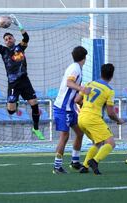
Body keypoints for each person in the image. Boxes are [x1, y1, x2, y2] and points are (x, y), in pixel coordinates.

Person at [0, 15, 44, 140]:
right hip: (13, 83)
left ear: (14, 39)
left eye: (10, 38)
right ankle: (15, 101)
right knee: (11, 111)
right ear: (4, 42)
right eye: (6, 39)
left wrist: (17, 23)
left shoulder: (20, 47)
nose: (8, 40)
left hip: (24, 81)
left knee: (34, 104)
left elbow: (26, 37)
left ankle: (36, 128)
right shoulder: (3, 50)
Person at [75, 63, 124, 175]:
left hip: (81, 118)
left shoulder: (89, 83)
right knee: (111, 143)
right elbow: (110, 113)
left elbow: (77, 100)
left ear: (100, 73)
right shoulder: (109, 90)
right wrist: (118, 120)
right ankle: (95, 161)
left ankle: (85, 166)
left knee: (97, 143)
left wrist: (86, 106)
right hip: (93, 119)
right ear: (111, 76)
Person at [52, 46, 89, 174]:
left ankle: (75, 161)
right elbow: (69, 83)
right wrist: (82, 89)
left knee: (79, 132)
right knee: (65, 136)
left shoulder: (76, 67)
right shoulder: (75, 68)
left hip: (70, 108)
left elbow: (73, 93)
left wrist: (81, 102)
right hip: (63, 108)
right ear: (85, 57)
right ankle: (57, 166)